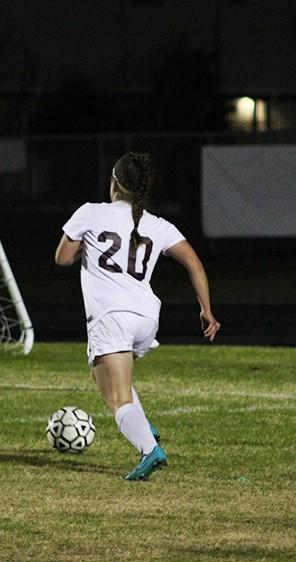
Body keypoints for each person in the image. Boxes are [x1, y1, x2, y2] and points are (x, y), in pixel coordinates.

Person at [54, 151, 219, 481]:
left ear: (113, 182)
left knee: (116, 398)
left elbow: (62, 257)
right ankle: (145, 428)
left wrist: (84, 247)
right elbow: (194, 264)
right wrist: (207, 310)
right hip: (146, 317)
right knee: (105, 378)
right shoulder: (158, 224)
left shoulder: (90, 213)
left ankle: (149, 449)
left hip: (111, 317)